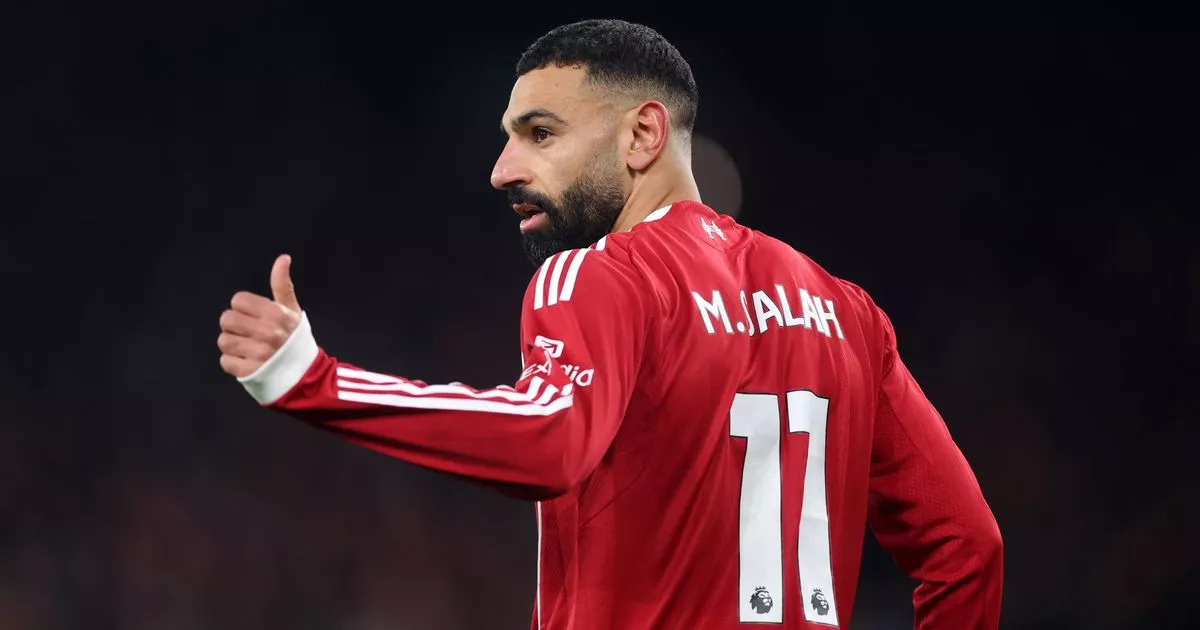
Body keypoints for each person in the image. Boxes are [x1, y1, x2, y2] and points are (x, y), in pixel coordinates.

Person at [216, 19, 1003, 629]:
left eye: (540, 133)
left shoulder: (602, 274)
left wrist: (314, 380)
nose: (502, 169)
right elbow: (968, 549)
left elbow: (548, 440)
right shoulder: (844, 310)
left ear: (642, 135)